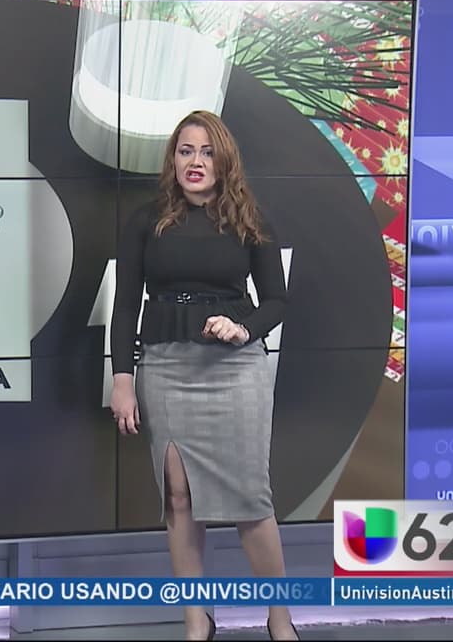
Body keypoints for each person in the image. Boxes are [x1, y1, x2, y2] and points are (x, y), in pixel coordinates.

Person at [109, 110, 298, 641]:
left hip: (234, 369)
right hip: (166, 368)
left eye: (208, 151)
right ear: (173, 158)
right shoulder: (146, 221)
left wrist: (242, 328)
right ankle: (197, 619)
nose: (196, 161)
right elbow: (126, 306)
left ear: (225, 160)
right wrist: (122, 379)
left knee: (251, 499)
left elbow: (277, 301)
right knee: (179, 499)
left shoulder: (250, 219)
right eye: (186, 150)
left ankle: (280, 618)